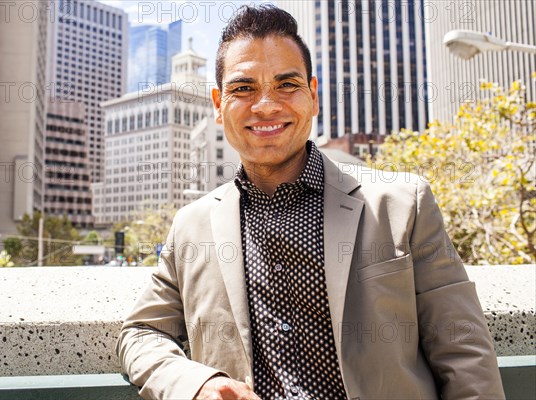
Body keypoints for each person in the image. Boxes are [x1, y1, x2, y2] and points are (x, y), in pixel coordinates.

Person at [116, 5, 505, 399]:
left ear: (313, 96)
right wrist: (198, 384)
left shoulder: (404, 204)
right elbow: (141, 333)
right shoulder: (190, 225)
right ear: (218, 104)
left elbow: (464, 352)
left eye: (287, 85)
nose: (266, 105)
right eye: (243, 88)